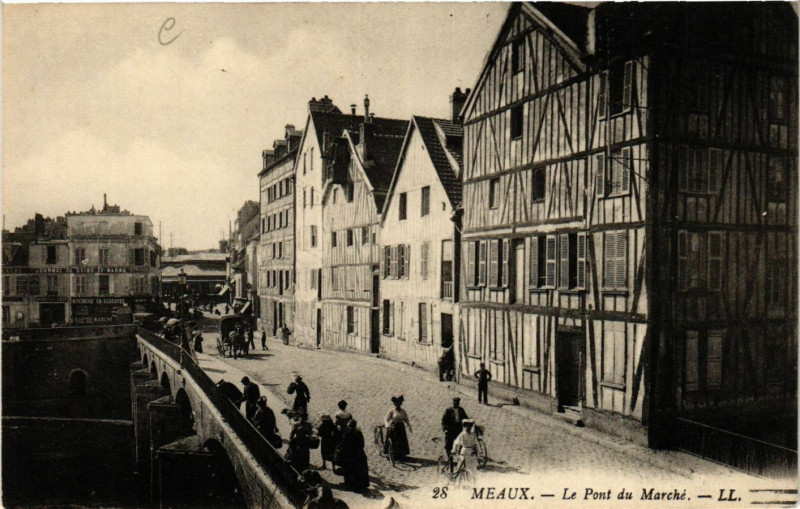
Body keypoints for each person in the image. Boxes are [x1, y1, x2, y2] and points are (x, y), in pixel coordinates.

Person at [335, 419, 370, 492]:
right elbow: (362, 444)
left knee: (348, 468)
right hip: (360, 454)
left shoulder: (347, 434)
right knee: (361, 469)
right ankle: (361, 484)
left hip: (350, 454)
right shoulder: (359, 433)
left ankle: (350, 485)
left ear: (349, 426)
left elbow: (343, 445)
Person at [383, 395, 411, 460]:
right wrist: (387, 425)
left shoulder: (403, 411)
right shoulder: (392, 411)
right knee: (394, 440)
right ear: (394, 404)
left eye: (399, 403)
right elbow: (386, 418)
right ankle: (393, 454)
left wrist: (409, 426)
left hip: (401, 427)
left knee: (401, 440)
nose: (398, 405)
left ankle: (401, 454)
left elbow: (406, 419)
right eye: (396, 403)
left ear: (401, 404)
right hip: (394, 427)